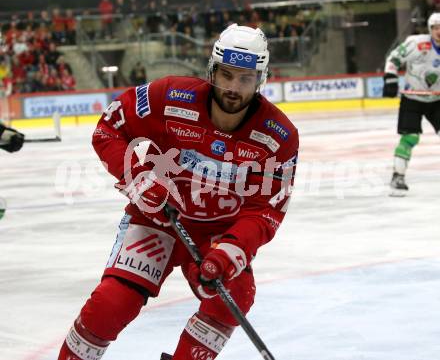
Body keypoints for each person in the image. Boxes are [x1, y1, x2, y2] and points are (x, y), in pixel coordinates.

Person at [57, 23, 299, 360]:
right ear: (212, 70)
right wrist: (138, 178)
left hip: (219, 232)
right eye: (226, 75)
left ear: (261, 79)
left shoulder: (279, 136)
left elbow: (267, 209)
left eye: (245, 79)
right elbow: (108, 129)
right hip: (157, 219)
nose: (233, 87)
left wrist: (231, 249)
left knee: (235, 295)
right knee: (111, 304)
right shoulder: (169, 96)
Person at [383, 12, 440, 196]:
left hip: (437, 100)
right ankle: (397, 176)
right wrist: (390, 78)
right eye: (435, 28)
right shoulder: (417, 43)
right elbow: (393, 59)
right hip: (412, 98)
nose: (439, 31)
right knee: (410, 138)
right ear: (430, 30)